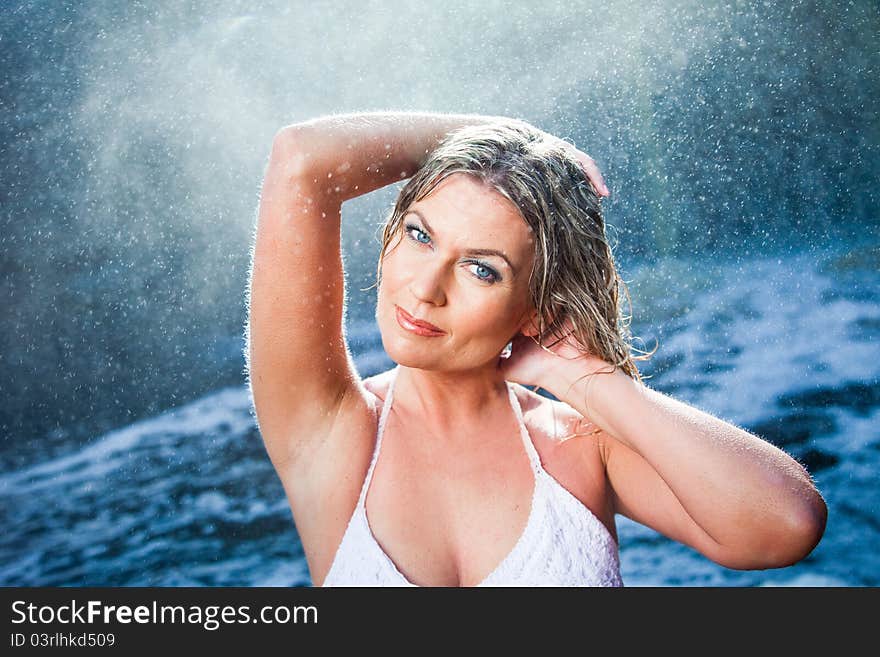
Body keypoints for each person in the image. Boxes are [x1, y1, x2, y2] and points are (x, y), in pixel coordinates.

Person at [244, 111, 827, 586]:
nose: (425, 289)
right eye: (420, 235)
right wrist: (505, 134)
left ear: (538, 309)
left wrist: (578, 377)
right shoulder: (331, 429)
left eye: (481, 270)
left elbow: (786, 525)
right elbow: (301, 159)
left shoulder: (579, 446)